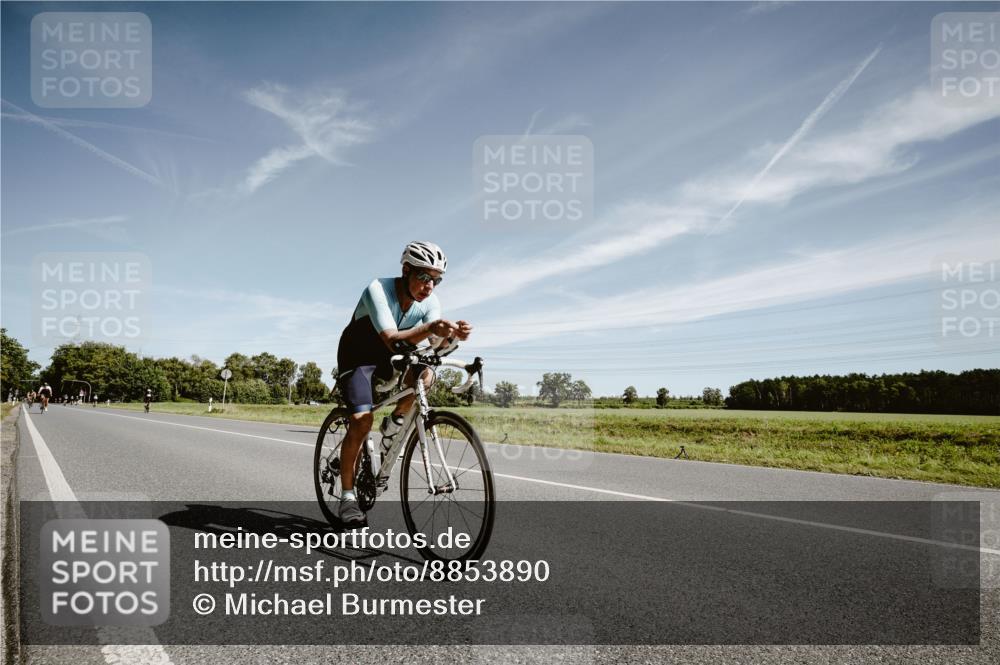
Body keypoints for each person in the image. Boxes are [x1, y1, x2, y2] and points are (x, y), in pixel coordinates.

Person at [334, 241, 472, 527]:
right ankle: (347, 497)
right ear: (406, 270)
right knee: (361, 421)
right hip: (359, 358)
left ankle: (394, 424)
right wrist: (431, 329)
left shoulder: (429, 303)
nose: (430, 286)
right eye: (423, 277)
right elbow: (393, 338)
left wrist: (454, 337)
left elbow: (435, 345)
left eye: (436, 280)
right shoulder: (378, 289)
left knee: (427, 373)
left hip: (393, 359)